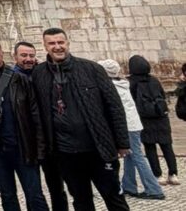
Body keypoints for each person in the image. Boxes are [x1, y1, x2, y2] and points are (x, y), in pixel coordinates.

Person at [31, 28, 129, 211]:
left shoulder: (91, 69)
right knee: (81, 200)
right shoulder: (39, 74)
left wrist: (122, 142)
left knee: (114, 197)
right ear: (44, 46)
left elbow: (114, 106)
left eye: (61, 42)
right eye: (52, 43)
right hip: (65, 152)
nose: (57, 47)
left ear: (68, 43)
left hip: (97, 147)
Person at [0, 39, 47, 211]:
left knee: (34, 194)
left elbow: (35, 114)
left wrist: (40, 148)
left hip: (22, 146)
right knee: (7, 196)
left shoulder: (19, 79)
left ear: (2, 53)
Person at [13, 42, 68, 211]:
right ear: (15, 57)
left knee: (57, 187)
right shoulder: (10, 78)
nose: (28, 59)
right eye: (23, 56)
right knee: (33, 190)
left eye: (31, 55)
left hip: (51, 140)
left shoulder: (44, 74)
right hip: (27, 142)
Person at [99, 59, 164, 200]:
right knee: (129, 155)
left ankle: (154, 189)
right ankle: (129, 185)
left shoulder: (112, 86)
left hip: (127, 126)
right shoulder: (123, 84)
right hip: (133, 124)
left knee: (137, 156)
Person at [128, 54, 178, 185]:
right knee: (167, 146)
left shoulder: (132, 83)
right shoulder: (154, 80)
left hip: (144, 119)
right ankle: (173, 174)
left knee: (150, 148)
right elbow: (162, 95)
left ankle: (158, 175)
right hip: (161, 117)